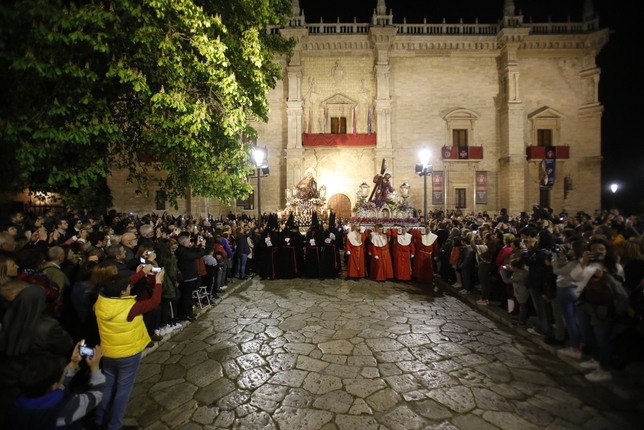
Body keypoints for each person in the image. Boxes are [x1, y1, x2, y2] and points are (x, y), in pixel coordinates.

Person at [94, 269, 164, 430]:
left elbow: (123, 284)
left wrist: (141, 273)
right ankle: (114, 425)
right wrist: (158, 282)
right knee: (123, 390)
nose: (130, 288)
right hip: (127, 353)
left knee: (109, 385)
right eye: (127, 288)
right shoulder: (129, 309)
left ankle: (99, 419)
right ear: (122, 292)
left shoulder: (102, 301)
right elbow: (154, 302)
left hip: (108, 352)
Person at [0, 283, 74, 414]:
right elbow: (66, 344)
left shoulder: (6, 318)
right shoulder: (47, 327)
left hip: (8, 379)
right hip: (36, 380)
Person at [7, 343, 105, 430]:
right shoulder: (66, 406)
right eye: (62, 373)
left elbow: (52, 389)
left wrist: (73, 363)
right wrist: (95, 367)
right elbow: (96, 395)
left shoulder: (18, 402)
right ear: (54, 385)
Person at [571, 238, 628, 382]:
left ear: (607, 251)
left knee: (601, 336)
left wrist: (606, 277)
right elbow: (575, 276)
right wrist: (583, 262)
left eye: (601, 249)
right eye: (594, 249)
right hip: (585, 302)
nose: (598, 251)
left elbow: (619, 286)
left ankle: (604, 368)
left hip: (603, 306)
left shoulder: (615, 267)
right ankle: (596, 359)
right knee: (586, 332)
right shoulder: (588, 264)